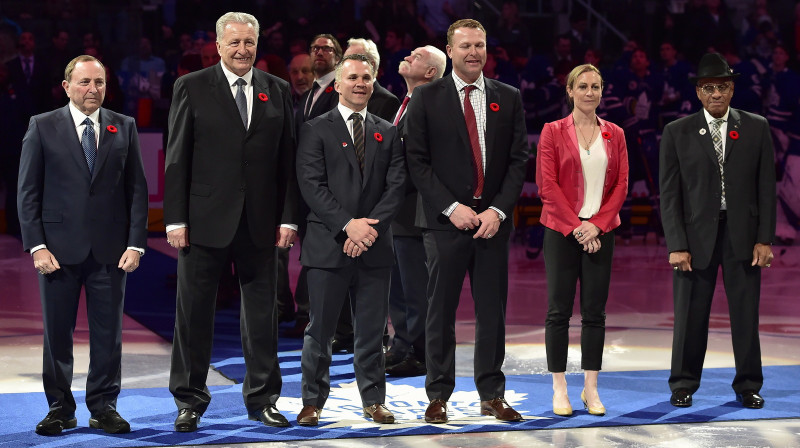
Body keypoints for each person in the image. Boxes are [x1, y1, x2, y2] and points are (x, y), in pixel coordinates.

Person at [164, 11, 299, 432]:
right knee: (193, 316)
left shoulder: (276, 90)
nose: (243, 50)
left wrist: (289, 218)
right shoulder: (191, 86)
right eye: (235, 42)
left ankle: (263, 399)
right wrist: (175, 219)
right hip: (203, 220)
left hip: (261, 222)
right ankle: (189, 400)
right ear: (219, 46)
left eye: (249, 43)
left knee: (263, 316)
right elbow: (176, 158)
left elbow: (288, 163)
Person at [17, 54, 148, 435]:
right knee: (57, 334)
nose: (93, 90)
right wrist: (36, 246)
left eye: (100, 83)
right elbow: (28, 193)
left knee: (109, 336)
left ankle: (104, 406)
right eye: (85, 82)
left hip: (111, 252)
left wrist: (136, 244)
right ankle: (60, 407)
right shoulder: (42, 126)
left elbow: (137, 190)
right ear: (66, 86)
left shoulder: (124, 126)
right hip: (56, 252)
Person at [404, 19, 527, 424]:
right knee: (440, 310)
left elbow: (516, 162)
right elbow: (417, 163)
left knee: (493, 311)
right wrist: (451, 208)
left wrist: (498, 210)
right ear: (450, 50)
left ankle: (492, 394)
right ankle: (438, 393)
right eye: (465, 46)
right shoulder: (426, 98)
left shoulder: (508, 97)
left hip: (491, 223)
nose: (473, 53)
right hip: (445, 223)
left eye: (479, 45)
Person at [660, 52, 776, 409]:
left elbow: (766, 188)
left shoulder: (757, 127)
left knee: (745, 315)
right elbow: (669, 194)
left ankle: (748, 385)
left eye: (723, 87)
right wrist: (677, 244)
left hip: (742, 235)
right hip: (695, 240)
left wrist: (765, 238)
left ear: (731, 89)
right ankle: (683, 383)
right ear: (698, 91)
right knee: (690, 316)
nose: (716, 94)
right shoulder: (676, 132)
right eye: (709, 87)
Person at [295, 54, 406, 426]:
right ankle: (312, 401)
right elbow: (311, 186)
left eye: (367, 78)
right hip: (329, 246)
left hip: (373, 247)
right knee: (320, 330)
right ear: (337, 85)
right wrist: (347, 226)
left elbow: (396, 187)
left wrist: (366, 230)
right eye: (353, 78)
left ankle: (374, 400)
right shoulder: (315, 128)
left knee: (373, 332)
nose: (360, 83)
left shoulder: (387, 131)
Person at [536, 63, 629, 417]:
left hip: (601, 232)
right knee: (558, 312)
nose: (590, 92)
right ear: (570, 91)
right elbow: (548, 186)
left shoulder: (615, 133)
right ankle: (560, 387)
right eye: (583, 86)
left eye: (596, 86)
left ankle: (591, 387)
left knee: (594, 314)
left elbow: (621, 185)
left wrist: (599, 226)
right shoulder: (552, 131)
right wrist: (578, 227)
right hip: (562, 231)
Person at [384, 44, 446, 377]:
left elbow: (419, 164)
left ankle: (420, 353)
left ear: (431, 72)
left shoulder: (434, 107)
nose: (407, 56)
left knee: (417, 289)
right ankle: (402, 345)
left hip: (416, 213)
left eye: (417, 56)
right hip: (398, 213)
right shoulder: (405, 103)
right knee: (400, 286)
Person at [284, 34, 343, 340]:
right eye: (314, 48)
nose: (319, 52)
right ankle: (310, 314)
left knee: (324, 256)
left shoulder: (340, 88)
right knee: (312, 254)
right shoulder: (311, 93)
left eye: (327, 49)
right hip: (307, 187)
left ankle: (317, 317)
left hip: (329, 189)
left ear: (338, 55)